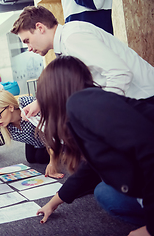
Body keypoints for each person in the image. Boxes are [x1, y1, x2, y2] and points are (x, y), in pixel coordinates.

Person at [34, 56, 154, 236]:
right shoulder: (84, 110)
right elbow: (89, 168)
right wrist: (53, 203)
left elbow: (150, 146)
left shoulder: (82, 103)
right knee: (105, 192)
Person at [11, 5, 154, 118]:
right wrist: (40, 103)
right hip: (133, 101)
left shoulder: (73, 37)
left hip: (145, 99)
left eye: (27, 41)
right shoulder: (65, 42)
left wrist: (104, 112)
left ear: (40, 28)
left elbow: (120, 74)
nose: (28, 48)